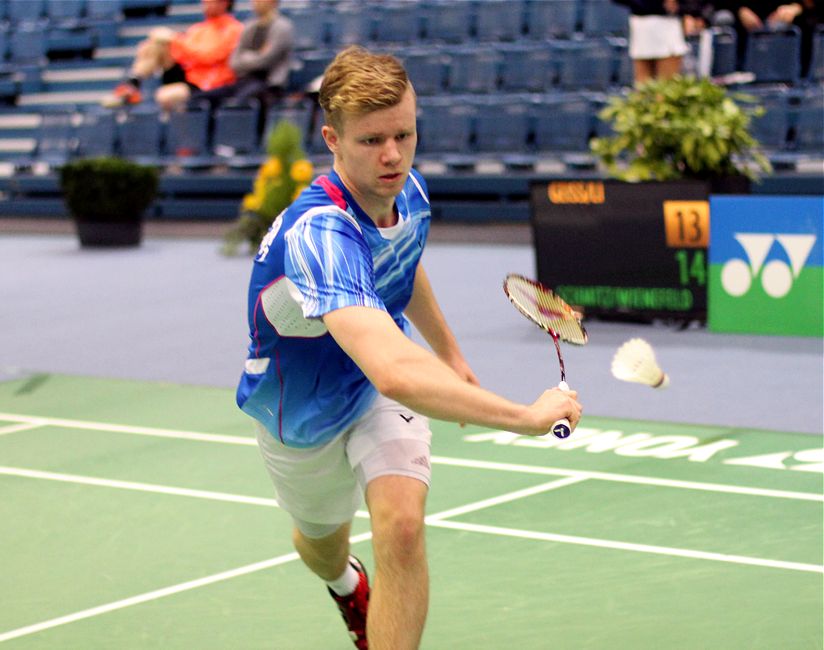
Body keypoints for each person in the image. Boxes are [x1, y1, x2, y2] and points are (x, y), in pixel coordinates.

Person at [235, 46, 583, 650]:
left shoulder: (409, 192)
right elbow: (395, 369)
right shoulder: (322, 233)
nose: (393, 156)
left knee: (400, 527)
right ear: (332, 140)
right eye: (371, 141)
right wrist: (525, 417)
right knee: (320, 545)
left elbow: (404, 264)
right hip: (302, 412)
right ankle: (345, 583)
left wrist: (449, 353)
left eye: (404, 134)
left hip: (371, 389)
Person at [100, 0, 243, 111]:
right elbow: (183, 53)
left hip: (210, 84)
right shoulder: (198, 29)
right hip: (189, 75)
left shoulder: (233, 29)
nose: (204, 3)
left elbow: (209, 56)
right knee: (156, 43)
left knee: (165, 96)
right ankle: (132, 85)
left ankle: (185, 141)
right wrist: (167, 41)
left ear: (225, 3)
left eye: (210, 1)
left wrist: (175, 39)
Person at [189, 0, 294, 110]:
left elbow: (266, 60)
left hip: (268, 83)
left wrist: (246, 57)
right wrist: (257, 55)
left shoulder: (282, 27)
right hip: (244, 81)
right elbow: (234, 62)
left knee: (238, 103)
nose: (256, 3)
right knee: (199, 99)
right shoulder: (249, 26)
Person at [613, 0, 693, 83]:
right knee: (643, 85)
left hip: (668, 23)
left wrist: (687, 10)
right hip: (641, 23)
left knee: (666, 84)